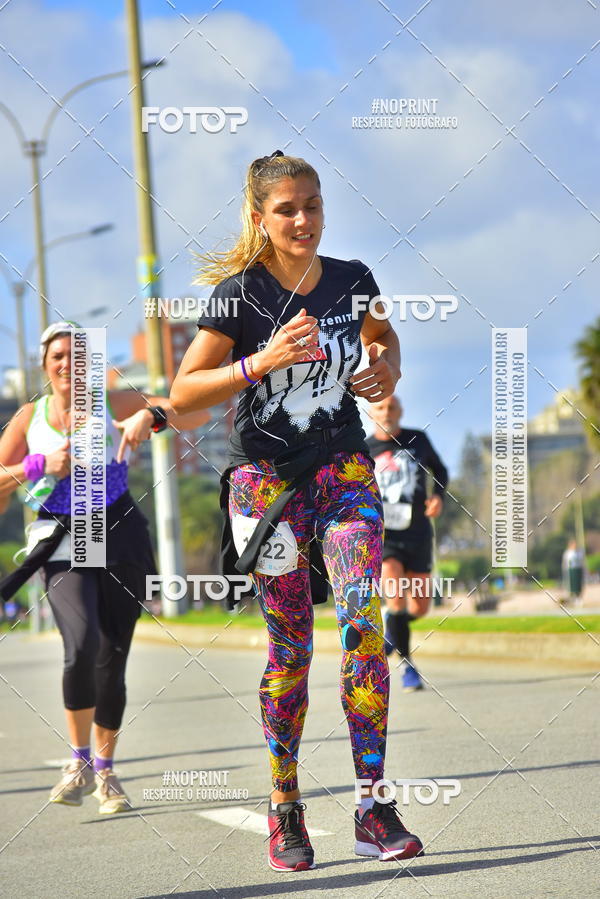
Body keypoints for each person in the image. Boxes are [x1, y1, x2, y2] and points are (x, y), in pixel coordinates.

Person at [170, 151, 424, 871]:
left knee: (362, 625)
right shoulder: (237, 296)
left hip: (346, 472)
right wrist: (261, 361)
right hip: (266, 488)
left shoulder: (352, 280)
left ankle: (373, 807)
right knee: (292, 650)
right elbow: (186, 394)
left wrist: (387, 366)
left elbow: (383, 337)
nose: (303, 219)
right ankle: (286, 809)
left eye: (312, 205)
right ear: (259, 217)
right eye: (287, 209)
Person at [0, 321, 208, 813]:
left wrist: (152, 417)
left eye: (78, 357)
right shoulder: (32, 417)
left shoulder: (112, 402)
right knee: (83, 643)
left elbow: (196, 410)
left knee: (113, 654)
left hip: (118, 536)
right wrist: (37, 466)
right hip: (62, 538)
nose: (68, 366)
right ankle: (78, 761)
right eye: (58, 358)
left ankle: (107, 771)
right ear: (45, 366)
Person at [367, 395, 448, 692]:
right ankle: (408, 667)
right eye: (380, 407)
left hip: (418, 533)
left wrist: (437, 496)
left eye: (391, 407)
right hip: (385, 536)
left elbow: (441, 471)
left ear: (400, 411)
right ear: (371, 413)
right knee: (396, 596)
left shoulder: (418, 440)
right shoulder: (364, 449)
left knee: (420, 606)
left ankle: (393, 623)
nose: (386, 412)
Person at [562, 539, 585, 606]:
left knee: (578, 585)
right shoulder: (567, 553)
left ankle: (579, 598)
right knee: (571, 585)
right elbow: (565, 563)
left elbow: (582, 562)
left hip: (578, 570)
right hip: (570, 571)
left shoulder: (579, 552)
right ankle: (572, 598)